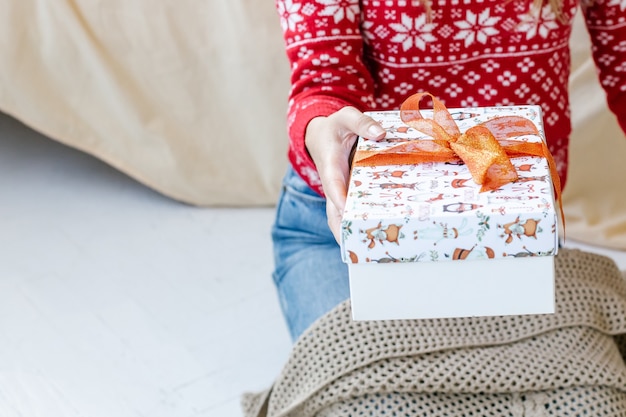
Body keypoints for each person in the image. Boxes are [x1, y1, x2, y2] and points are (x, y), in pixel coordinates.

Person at [271, 0, 626, 341]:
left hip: (515, 235)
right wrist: (322, 126)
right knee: (383, 398)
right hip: (344, 235)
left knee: (575, 396)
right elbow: (324, 78)